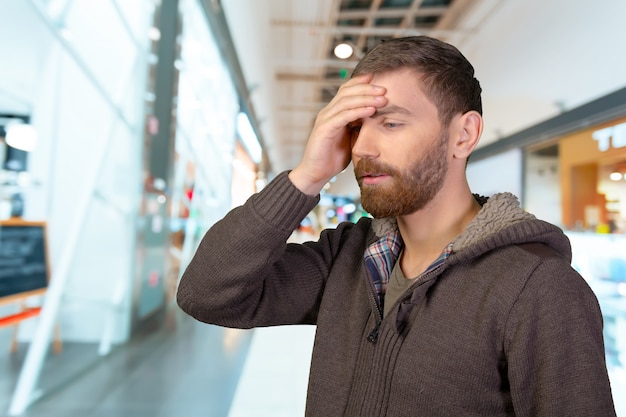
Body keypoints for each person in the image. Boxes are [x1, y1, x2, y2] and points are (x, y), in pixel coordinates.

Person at [177, 36, 616, 416]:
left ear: (463, 135)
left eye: (390, 123)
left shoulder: (539, 288)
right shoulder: (346, 257)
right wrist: (307, 177)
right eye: (355, 127)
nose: (363, 147)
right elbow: (207, 295)